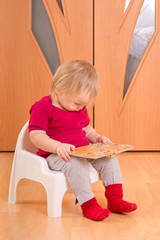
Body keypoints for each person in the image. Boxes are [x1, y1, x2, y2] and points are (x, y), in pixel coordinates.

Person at [28, 60, 137, 221]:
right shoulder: (43, 107)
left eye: (84, 104)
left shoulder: (79, 108)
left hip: (82, 151)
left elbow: (87, 129)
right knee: (75, 164)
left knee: (109, 159)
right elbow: (36, 135)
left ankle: (115, 199)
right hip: (55, 155)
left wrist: (97, 138)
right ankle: (88, 205)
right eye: (77, 103)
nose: (81, 108)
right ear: (59, 90)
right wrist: (57, 147)